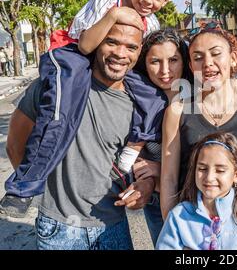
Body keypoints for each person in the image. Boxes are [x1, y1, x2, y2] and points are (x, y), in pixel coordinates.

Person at [0, 0, 176, 217]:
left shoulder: (151, 24)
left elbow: (138, 61)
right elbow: (85, 45)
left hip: (107, 63)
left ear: (166, 1)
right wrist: (115, 15)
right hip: (76, 54)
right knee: (60, 107)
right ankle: (25, 185)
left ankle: (132, 150)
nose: (148, 0)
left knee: (154, 99)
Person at [3, 19, 165, 249]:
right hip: (58, 229)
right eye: (111, 42)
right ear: (97, 42)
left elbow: (139, 161)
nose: (120, 53)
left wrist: (146, 185)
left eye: (131, 47)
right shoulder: (58, 86)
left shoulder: (142, 105)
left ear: (139, 52)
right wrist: (49, 197)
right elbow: (15, 145)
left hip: (114, 225)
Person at [160, 26, 237, 221]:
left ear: (233, 58)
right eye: (198, 58)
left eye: (216, 54)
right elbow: (169, 179)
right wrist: (171, 228)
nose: (207, 63)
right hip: (189, 222)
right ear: (190, 66)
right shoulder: (177, 112)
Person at [156, 132, 237, 250]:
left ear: (236, 175)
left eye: (220, 170)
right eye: (202, 169)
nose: (209, 177)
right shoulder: (179, 216)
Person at [131, 28, 193, 246]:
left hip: (194, 197)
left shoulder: (200, 97)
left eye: (173, 60)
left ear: (184, 60)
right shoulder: (135, 97)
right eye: (155, 61)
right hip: (156, 200)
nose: (165, 70)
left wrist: (162, 168)